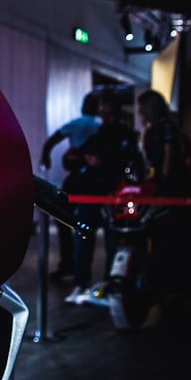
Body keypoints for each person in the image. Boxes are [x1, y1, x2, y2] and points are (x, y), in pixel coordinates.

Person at [67, 93, 145, 302]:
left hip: (113, 197)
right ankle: (80, 283)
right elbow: (74, 159)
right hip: (90, 196)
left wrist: (104, 164)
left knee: (114, 243)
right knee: (83, 241)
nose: (106, 114)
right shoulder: (97, 135)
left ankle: (110, 286)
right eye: (104, 111)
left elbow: (132, 165)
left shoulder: (125, 138)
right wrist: (86, 160)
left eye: (109, 111)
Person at [136, 89, 191, 295]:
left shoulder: (165, 129)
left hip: (172, 188)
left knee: (172, 233)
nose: (139, 113)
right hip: (164, 186)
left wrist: (163, 180)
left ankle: (171, 281)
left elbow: (168, 155)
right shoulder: (157, 130)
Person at [39, 92, 101, 283]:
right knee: (88, 224)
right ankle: (82, 272)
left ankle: (67, 264)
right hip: (95, 181)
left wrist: (46, 157)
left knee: (62, 216)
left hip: (76, 180)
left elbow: (52, 140)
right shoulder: (100, 126)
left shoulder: (76, 124)